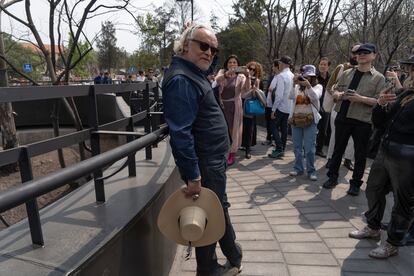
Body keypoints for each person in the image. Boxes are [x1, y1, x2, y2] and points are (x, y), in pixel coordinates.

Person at [162, 23, 242, 276]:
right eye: (204, 45)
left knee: (218, 205)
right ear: (186, 45)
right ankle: (208, 268)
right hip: (205, 161)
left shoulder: (192, 73)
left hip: (213, 158)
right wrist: (193, 175)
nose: (209, 52)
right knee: (208, 211)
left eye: (214, 49)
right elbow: (180, 132)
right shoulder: (181, 79)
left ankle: (232, 252)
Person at [348, 87, 414, 259]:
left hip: (408, 157)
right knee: (373, 189)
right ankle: (373, 227)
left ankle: (392, 243)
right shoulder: (405, 94)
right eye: (413, 69)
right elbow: (381, 122)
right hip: (385, 151)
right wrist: (380, 104)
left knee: (403, 202)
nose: (413, 74)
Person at [322, 43, 387, 196]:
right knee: (338, 150)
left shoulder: (379, 78)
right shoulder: (347, 73)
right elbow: (335, 88)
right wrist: (336, 94)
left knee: (360, 154)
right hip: (342, 117)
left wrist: (360, 98)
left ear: (374, 55)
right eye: (359, 52)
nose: (361, 55)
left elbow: (380, 101)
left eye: (366, 52)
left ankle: (356, 184)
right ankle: (332, 178)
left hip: (362, 121)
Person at [324, 45, 361, 171]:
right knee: (336, 134)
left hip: (356, 109)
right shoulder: (342, 68)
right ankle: (330, 158)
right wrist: (336, 95)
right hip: (339, 107)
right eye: (354, 52)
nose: (356, 55)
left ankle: (348, 159)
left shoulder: (368, 72)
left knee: (353, 137)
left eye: (359, 53)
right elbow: (329, 86)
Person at [288, 65, 322, 180]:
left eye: (309, 76)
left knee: (309, 148)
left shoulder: (318, 87)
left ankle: (311, 171)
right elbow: (291, 96)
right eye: (304, 76)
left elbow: (315, 97)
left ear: (313, 77)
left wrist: (308, 86)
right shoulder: (297, 87)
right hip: (296, 119)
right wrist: (293, 84)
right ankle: (298, 168)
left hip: (310, 120)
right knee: (297, 147)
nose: (306, 78)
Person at [215, 55, 250, 166]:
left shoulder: (241, 77)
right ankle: (223, 150)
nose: (232, 64)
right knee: (222, 129)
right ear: (227, 64)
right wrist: (226, 75)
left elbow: (246, 90)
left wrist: (248, 76)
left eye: (235, 62)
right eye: (230, 62)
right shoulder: (222, 72)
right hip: (222, 105)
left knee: (232, 130)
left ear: (238, 65)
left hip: (234, 105)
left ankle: (232, 152)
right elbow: (216, 82)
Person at [268, 56, 294, 159]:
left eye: (280, 63)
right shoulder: (292, 76)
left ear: (283, 64)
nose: (279, 65)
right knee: (284, 129)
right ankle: (282, 149)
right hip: (289, 107)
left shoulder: (281, 76)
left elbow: (279, 95)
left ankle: (279, 148)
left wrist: (273, 109)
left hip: (281, 106)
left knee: (273, 126)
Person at [241, 61, 265, 159]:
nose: (251, 71)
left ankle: (248, 149)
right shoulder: (242, 78)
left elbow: (255, 95)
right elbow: (242, 91)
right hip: (240, 104)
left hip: (250, 106)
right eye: (249, 69)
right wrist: (247, 78)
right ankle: (241, 145)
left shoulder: (257, 81)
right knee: (240, 127)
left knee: (249, 128)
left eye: (253, 69)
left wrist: (254, 91)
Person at [315, 57, 331, 157]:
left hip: (326, 107)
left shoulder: (331, 78)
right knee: (312, 128)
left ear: (328, 66)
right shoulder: (314, 77)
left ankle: (319, 149)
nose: (322, 66)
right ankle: (307, 147)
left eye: (325, 64)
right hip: (315, 106)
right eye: (321, 64)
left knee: (323, 130)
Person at [263, 60, 280, 145]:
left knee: (274, 123)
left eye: (273, 66)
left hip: (275, 104)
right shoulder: (272, 77)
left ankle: (273, 139)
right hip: (268, 103)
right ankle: (268, 138)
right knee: (268, 120)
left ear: (277, 66)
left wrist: (273, 90)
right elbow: (267, 90)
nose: (272, 68)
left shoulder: (281, 77)